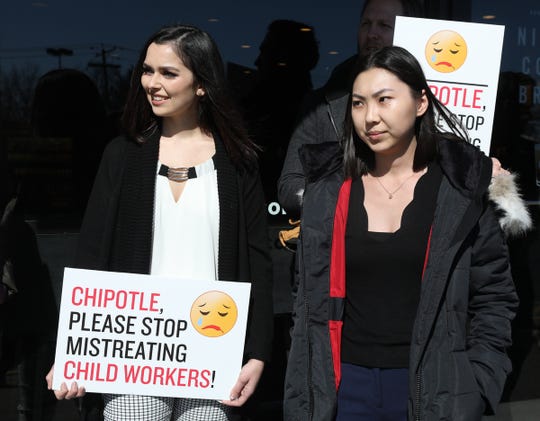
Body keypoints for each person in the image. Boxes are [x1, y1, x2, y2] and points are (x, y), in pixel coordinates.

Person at [283, 46, 530, 420]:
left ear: (420, 103)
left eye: (385, 100)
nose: (370, 117)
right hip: (341, 389)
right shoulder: (330, 189)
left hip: (436, 390)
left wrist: (477, 383)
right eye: (359, 103)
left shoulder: (459, 189)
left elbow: (494, 296)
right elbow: (307, 299)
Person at [45, 23, 273, 421]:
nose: (152, 82)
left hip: (212, 352)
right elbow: (91, 253)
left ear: (202, 84)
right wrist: (73, 353)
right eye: (147, 71)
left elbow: (258, 261)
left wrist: (257, 354)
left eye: (168, 73)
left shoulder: (238, 163)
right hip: (135, 354)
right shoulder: (122, 155)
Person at [278, 0, 508, 217]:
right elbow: (289, 189)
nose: (372, 34)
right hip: (335, 248)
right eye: (366, 24)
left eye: (384, 25)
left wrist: (483, 175)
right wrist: (360, 198)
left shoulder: (428, 104)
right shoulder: (322, 106)